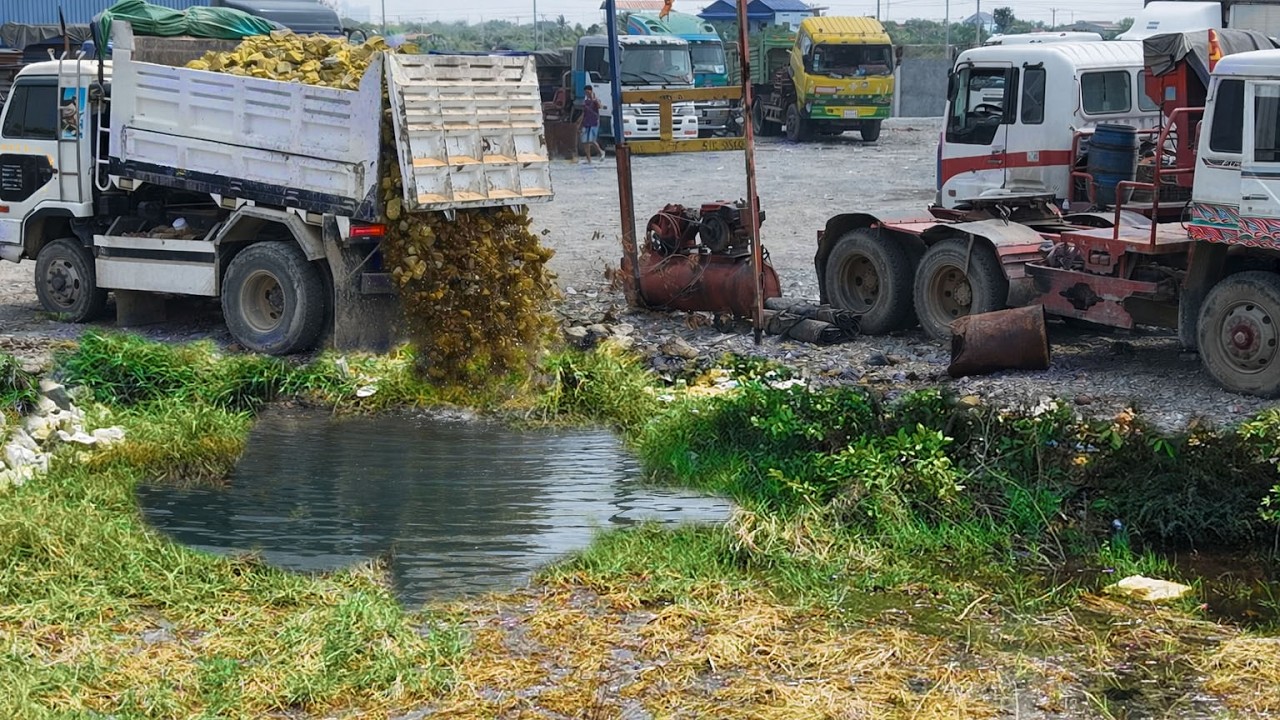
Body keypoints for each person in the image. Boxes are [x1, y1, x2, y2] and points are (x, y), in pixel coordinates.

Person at [576, 85, 604, 164]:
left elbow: (600, 106)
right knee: (585, 142)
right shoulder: (585, 102)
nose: (587, 93)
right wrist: (579, 123)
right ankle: (589, 160)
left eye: (588, 92)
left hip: (594, 122)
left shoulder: (595, 100)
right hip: (586, 122)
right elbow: (584, 113)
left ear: (591, 91)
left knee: (591, 140)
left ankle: (601, 151)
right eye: (585, 92)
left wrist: (594, 99)